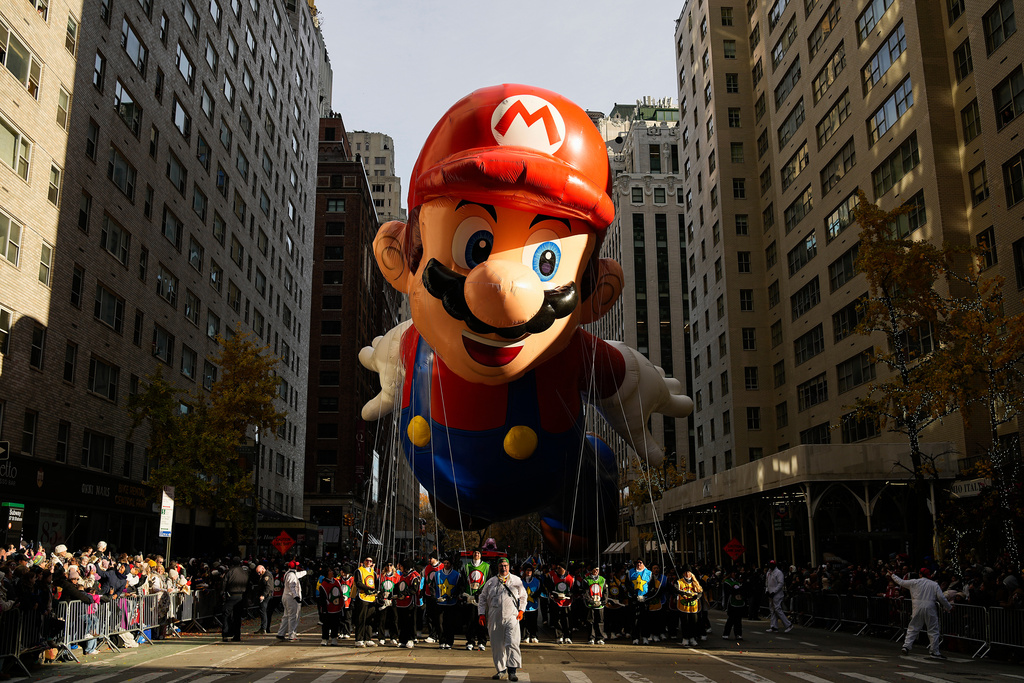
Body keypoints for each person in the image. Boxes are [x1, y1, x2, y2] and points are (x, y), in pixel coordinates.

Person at [478, 557, 527, 682]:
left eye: (505, 565)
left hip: (512, 616)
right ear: (498, 567)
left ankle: (512, 670)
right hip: (495, 617)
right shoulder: (491, 582)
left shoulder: (516, 580)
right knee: (497, 644)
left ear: (509, 566)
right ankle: (501, 670)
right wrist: (481, 614)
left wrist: (521, 610)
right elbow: (482, 598)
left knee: (512, 643)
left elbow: (523, 596)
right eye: (501, 566)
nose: (503, 568)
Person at [893, 568, 953, 659]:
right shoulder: (934, 584)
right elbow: (941, 597)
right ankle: (934, 651)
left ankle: (906, 646)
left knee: (913, 627)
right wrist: (949, 607)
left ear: (920, 574)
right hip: (930, 607)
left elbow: (901, 582)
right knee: (933, 630)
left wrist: (892, 575)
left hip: (917, 606)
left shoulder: (914, 582)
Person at [463, 549, 491, 650]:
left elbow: (489, 582)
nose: (476, 555)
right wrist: (464, 594)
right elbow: (463, 581)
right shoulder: (467, 567)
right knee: (470, 621)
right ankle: (470, 641)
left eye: (478, 553)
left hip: (481, 599)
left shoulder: (486, 567)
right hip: (470, 598)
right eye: (475, 553)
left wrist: (481, 593)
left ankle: (482, 641)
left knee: (481, 620)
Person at [276, 561, 307, 641]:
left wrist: (304, 571)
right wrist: (296, 596)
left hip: (286, 596)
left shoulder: (288, 573)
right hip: (291, 597)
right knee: (293, 616)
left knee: (286, 616)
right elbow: (292, 587)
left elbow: (300, 574)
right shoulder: (292, 575)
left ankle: (281, 633)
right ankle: (292, 635)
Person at [546, 561, 574, 644]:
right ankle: (559, 636)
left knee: (567, 619)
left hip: (567, 601)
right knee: (557, 619)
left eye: (559, 568)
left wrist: (570, 593)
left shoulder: (571, 578)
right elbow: (549, 587)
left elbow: (574, 589)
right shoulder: (552, 577)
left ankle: (567, 636)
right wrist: (553, 593)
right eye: (557, 568)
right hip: (557, 601)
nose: (557, 570)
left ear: (564, 569)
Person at [395, 558, 421, 648]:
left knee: (410, 621)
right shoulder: (402, 575)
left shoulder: (413, 576)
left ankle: (411, 639)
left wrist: (404, 593)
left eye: (401, 566)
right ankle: (402, 639)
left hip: (410, 603)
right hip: (401, 602)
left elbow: (414, 589)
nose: (399, 568)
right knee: (402, 622)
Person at [222, 557, 248, 642]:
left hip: (231, 595)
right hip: (241, 595)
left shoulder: (230, 572)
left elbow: (224, 582)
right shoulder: (244, 572)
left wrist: (222, 592)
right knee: (237, 617)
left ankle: (225, 634)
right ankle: (237, 635)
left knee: (226, 615)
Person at [675, 565, 703, 647]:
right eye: (686, 572)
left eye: (689, 572)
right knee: (685, 623)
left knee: (693, 622)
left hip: (693, 606)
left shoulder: (695, 582)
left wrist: (697, 596)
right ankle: (685, 638)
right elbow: (676, 589)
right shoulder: (679, 582)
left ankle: (692, 638)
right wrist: (682, 593)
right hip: (683, 606)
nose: (687, 574)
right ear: (683, 573)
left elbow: (700, 592)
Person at [354, 556, 378, 647]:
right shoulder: (359, 571)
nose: (368, 562)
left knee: (369, 619)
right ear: (363, 561)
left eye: (370, 561)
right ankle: (359, 639)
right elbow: (358, 583)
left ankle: (368, 638)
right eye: (367, 560)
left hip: (371, 598)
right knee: (361, 618)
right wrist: (368, 589)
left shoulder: (373, 572)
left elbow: (375, 583)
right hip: (362, 596)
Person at [627, 559, 653, 644]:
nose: (638, 564)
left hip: (645, 599)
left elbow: (651, 586)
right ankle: (635, 638)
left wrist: (647, 596)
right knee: (634, 619)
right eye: (637, 563)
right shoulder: (630, 572)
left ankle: (645, 637)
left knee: (645, 619)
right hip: (634, 599)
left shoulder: (649, 573)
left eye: (640, 562)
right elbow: (627, 584)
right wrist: (634, 595)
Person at [318, 567, 344, 646]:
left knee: (335, 623)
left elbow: (340, 594)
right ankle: (325, 638)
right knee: (326, 624)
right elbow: (322, 600)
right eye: (329, 571)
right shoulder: (323, 585)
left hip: (336, 607)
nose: (331, 572)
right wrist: (323, 610)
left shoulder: (336, 582)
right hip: (327, 608)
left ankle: (334, 638)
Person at [377, 560, 401, 645]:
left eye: (391, 565)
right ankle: (381, 637)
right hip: (383, 601)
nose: (389, 567)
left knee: (394, 619)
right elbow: (379, 588)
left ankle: (393, 636)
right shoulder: (381, 577)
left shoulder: (397, 577)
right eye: (387, 565)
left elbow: (398, 589)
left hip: (393, 601)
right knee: (382, 619)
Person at [764, 560, 792, 633]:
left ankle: (788, 624)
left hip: (777, 594)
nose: (770, 566)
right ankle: (774, 626)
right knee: (772, 610)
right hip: (771, 593)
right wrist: (767, 590)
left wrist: (774, 591)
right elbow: (767, 583)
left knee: (777, 609)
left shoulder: (778, 573)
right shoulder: (769, 572)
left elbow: (781, 583)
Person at [581, 564, 606, 644]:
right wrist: (590, 601)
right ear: (591, 570)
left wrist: (604, 601)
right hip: (591, 604)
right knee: (590, 621)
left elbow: (605, 591)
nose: (596, 571)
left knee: (600, 621)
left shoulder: (602, 579)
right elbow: (585, 592)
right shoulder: (586, 580)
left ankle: (600, 638)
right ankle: (591, 637)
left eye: (597, 570)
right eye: (594, 569)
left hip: (600, 604)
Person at [722, 566, 745, 641]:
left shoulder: (738, 582)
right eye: (733, 573)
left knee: (738, 619)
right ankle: (726, 634)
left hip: (739, 602)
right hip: (731, 602)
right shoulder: (727, 582)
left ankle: (738, 634)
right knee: (731, 619)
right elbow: (729, 591)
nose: (734, 574)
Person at [520, 564, 541, 643]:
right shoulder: (520, 581)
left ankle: (533, 635)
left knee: (533, 621)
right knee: (524, 622)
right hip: (523, 605)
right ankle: (526, 636)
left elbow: (539, 591)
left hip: (533, 605)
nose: (529, 572)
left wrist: (535, 594)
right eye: (527, 570)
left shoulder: (537, 581)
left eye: (530, 570)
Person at [254, 564, 274, 634]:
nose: (259, 574)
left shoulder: (266, 575)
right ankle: (265, 627)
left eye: (259, 572)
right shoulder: (263, 575)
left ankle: (264, 628)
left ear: (263, 568)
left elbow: (268, 587)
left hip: (266, 596)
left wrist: (263, 595)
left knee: (263, 611)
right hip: (266, 595)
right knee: (264, 611)